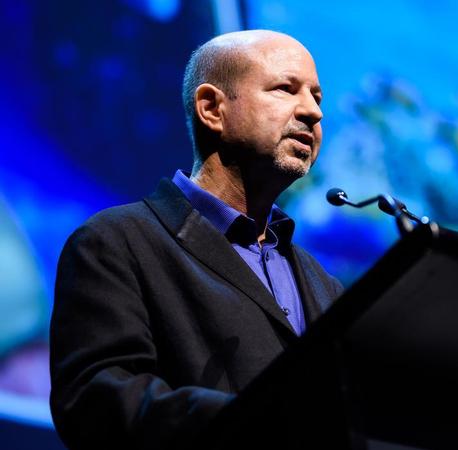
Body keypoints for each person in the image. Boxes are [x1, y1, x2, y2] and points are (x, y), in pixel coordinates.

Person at [49, 30, 344, 450]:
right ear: (212, 109)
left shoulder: (321, 283)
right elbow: (96, 400)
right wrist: (255, 421)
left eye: (317, 97)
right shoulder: (116, 242)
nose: (312, 112)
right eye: (286, 89)